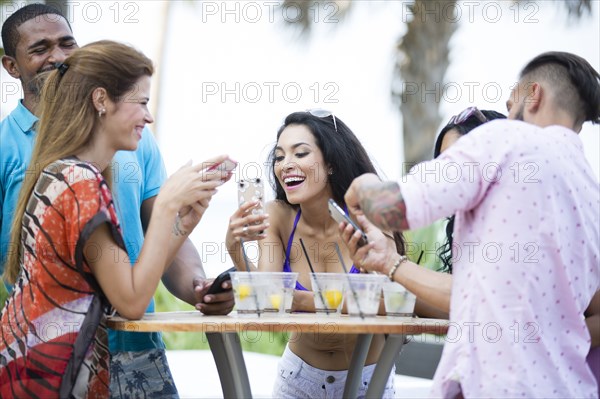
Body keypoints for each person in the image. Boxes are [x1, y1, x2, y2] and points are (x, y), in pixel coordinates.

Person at [0, 5, 234, 397]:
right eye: (140, 102)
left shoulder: (79, 171)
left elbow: (136, 263)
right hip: (62, 364)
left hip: (104, 353)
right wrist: (167, 211)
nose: (149, 117)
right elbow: (130, 299)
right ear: (102, 100)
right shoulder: (78, 180)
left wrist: (183, 222)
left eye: (66, 43)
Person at [343, 51, 600, 397]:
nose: (508, 116)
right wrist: (388, 261)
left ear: (533, 94)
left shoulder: (505, 138)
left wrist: (364, 184)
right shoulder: (590, 189)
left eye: (511, 105)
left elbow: (391, 209)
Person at [225, 110, 445, 398]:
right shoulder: (277, 216)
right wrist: (234, 247)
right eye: (279, 157)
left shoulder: (367, 214)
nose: (286, 165)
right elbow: (269, 298)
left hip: (368, 381)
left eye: (300, 153)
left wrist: (304, 299)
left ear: (330, 164)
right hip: (298, 378)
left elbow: (388, 300)